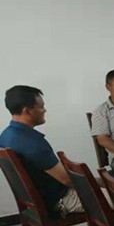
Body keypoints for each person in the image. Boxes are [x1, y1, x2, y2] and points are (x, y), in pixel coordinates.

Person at [0, 86, 83, 215]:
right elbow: (67, 180)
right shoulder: (32, 143)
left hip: (36, 203)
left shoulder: (6, 135)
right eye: (41, 106)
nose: (45, 110)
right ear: (27, 111)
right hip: (60, 200)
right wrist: (100, 182)